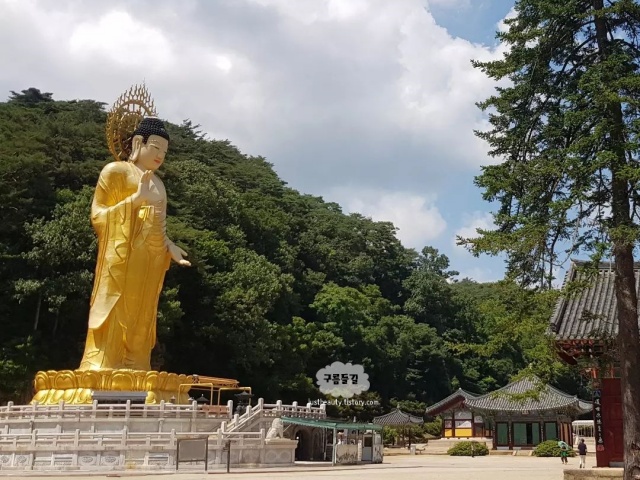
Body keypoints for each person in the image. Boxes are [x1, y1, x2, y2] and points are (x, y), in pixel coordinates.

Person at [79, 116, 191, 371]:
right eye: (156, 147)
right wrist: (136, 200)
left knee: (143, 313)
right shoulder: (115, 171)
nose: (160, 155)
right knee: (117, 308)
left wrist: (169, 246)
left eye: (165, 151)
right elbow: (98, 217)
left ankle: (137, 366)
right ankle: (103, 364)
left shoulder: (158, 184)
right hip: (122, 258)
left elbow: (158, 226)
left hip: (150, 260)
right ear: (139, 142)